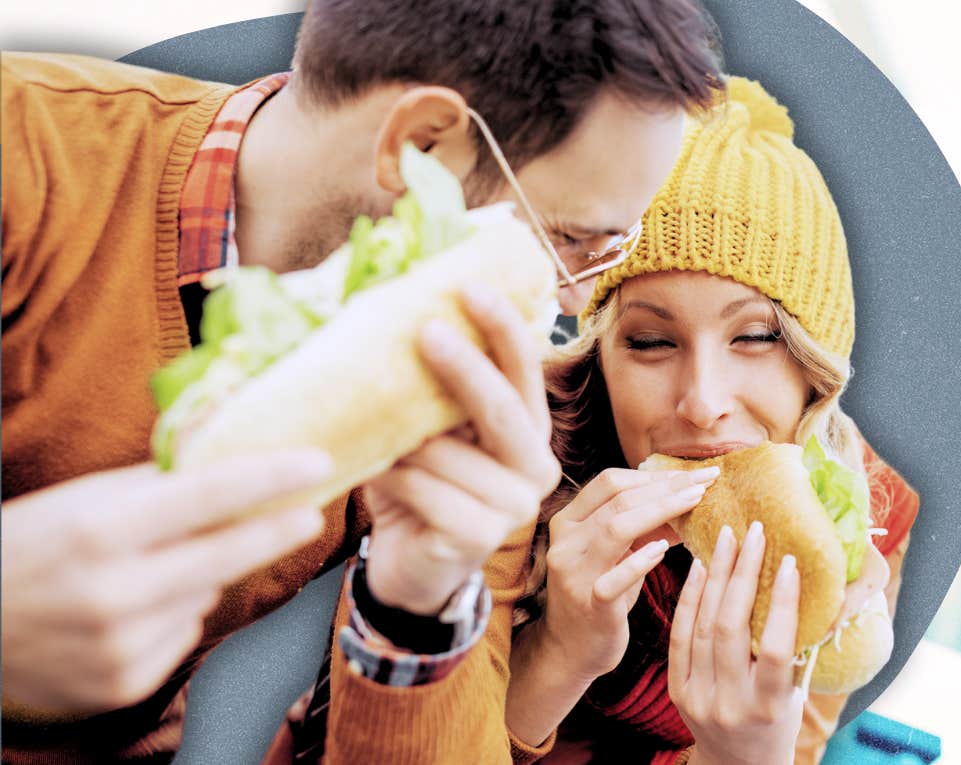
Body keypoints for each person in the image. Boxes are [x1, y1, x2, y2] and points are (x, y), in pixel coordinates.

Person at [0, 1, 723, 761]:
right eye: (573, 239)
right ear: (422, 145)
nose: (575, 300)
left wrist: (421, 609)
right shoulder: (28, 159)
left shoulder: (472, 395)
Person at [500, 78, 921, 764]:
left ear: (814, 366)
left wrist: (742, 755)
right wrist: (555, 653)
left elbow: (804, 741)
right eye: (651, 341)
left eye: (755, 337)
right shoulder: (509, 453)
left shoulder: (864, 523)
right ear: (601, 353)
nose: (702, 401)